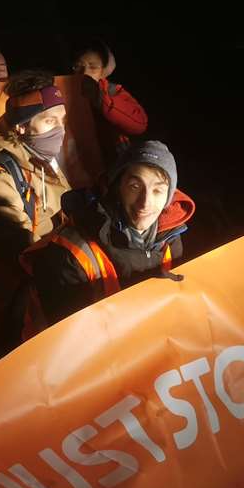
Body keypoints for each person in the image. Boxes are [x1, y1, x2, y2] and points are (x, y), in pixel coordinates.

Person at [20, 140, 193, 339]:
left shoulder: (170, 238)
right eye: (135, 186)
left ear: (168, 198)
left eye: (158, 190)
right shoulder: (70, 253)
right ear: (118, 186)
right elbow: (72, 344)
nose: (145, 203)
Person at [0, 71, 72, 258]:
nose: (60, 130)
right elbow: (26, 249)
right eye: (50, 121)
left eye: (62, 121)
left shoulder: (41, 159)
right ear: (21, 126)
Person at [71, 40, 149, 173]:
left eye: (93, 67)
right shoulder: (64, 92)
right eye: (78, 66)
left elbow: (140, 124)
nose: (84, 72)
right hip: (75, 163)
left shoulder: (113, 92)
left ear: (103, 72)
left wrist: (101, 100)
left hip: (111, 164)